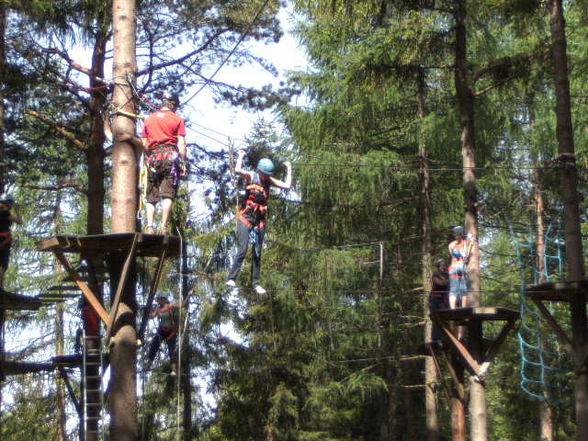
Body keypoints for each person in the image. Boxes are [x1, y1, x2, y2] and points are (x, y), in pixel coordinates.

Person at [226, 150, 292, 294]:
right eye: (264, 174)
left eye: (268, 175)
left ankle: (256, 283)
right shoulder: (252, 176)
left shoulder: (269, 181)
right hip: (245, 218)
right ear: (259, 171)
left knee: (257, 252)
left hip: (259, 221)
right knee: (242, 250)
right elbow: (237, 170)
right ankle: (232, 278)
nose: (266, 177)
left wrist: (289, 169)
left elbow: (286, 185)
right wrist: (241, 156)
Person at [141, 92, 187, 235]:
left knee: (151, 195)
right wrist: (183, 162)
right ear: (173, 103)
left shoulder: (148, 120)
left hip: (153, 159)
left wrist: (147, 160)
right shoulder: (177, 119)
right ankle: (163, 226)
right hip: (170, 158)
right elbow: (181, 144)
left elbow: (144, 143)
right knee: (167, 194)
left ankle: (149, 226)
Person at [147, 295, 180, 376]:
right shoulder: (159, 310)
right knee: (154, 345)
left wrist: (188, 296)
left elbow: (182, 305)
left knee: (171, 351)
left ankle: (173, 369)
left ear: (163, 299)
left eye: (159, 300)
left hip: (171, 331)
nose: (158, 302)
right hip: (161, 330)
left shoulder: (170, 306)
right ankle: (149, 364)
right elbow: (151, 316)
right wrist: (148, 311)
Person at [0, 194, 22, 292]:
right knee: (3, 266)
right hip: (3, 240)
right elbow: (19, 221)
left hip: (3, 239)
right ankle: (0, 287)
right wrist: (17, 210)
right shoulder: (4, 213)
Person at [430, 258, 449, 343]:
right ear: (438, 266)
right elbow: (441, 283)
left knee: (443, 318)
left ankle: (443, 337)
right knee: (435, 318)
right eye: (441, 265)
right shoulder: (435, 275)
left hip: (443, 300)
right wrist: (451, 279)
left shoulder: (447, 275)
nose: (443, 267)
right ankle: (435, 339)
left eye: (444, 265)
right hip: (434, 299)